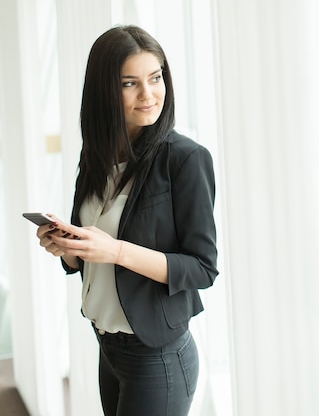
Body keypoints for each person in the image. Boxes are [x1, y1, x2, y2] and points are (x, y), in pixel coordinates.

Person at [36, 25, 218, 416]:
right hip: (108, 348)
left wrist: (115, 250)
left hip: (157, 356)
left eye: (155, 78)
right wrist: (67, 249)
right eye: (130, 83)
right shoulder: (96, 155)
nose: (148, 94)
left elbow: (202, 268)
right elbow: (90, 254)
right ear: (105, 91)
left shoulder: (184, 159)